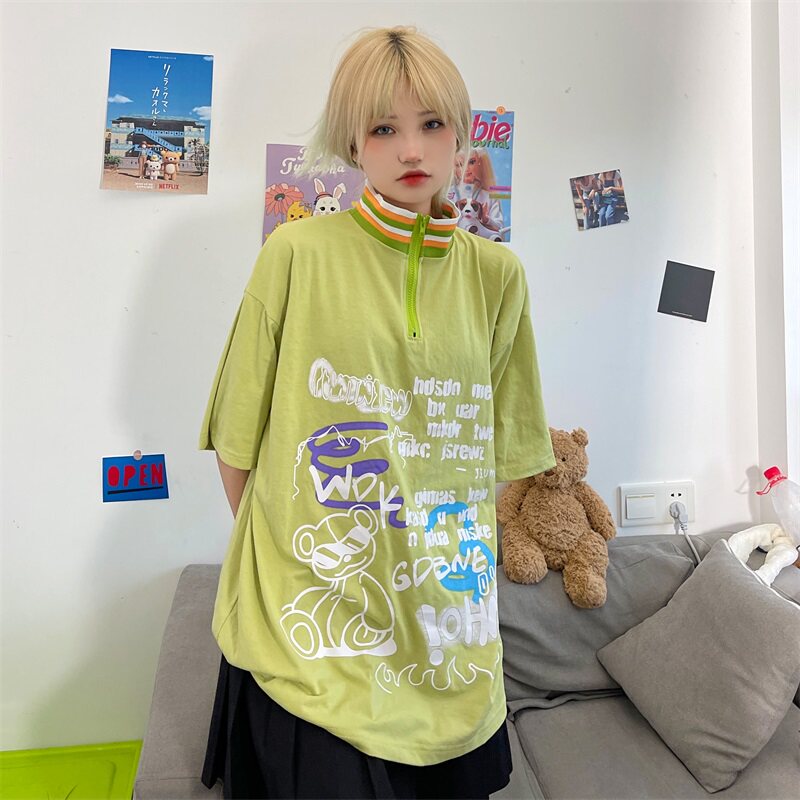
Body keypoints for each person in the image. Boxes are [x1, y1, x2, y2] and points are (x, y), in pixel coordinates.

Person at [198, 24, 555, 800]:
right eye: (384, 129)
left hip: (448, 644)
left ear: (461, 136)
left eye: (431, 124)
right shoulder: (295, 254)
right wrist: (298, 559)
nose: (411, 149)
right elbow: (237, 441)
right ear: (353, 142)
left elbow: (503, 456)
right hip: (311, 642)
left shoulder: (498, 277)